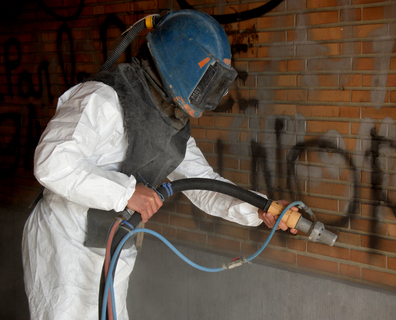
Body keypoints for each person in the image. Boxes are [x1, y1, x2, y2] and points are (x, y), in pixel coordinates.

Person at [22, 9, 297, 320]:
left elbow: (204, 184)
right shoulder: (103, 97)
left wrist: (259, 209)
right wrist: (128, 193)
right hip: (66, 245)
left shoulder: (172, 123)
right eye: (206, 83)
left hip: (115, 246)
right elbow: (52, 163)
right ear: (181, 64)